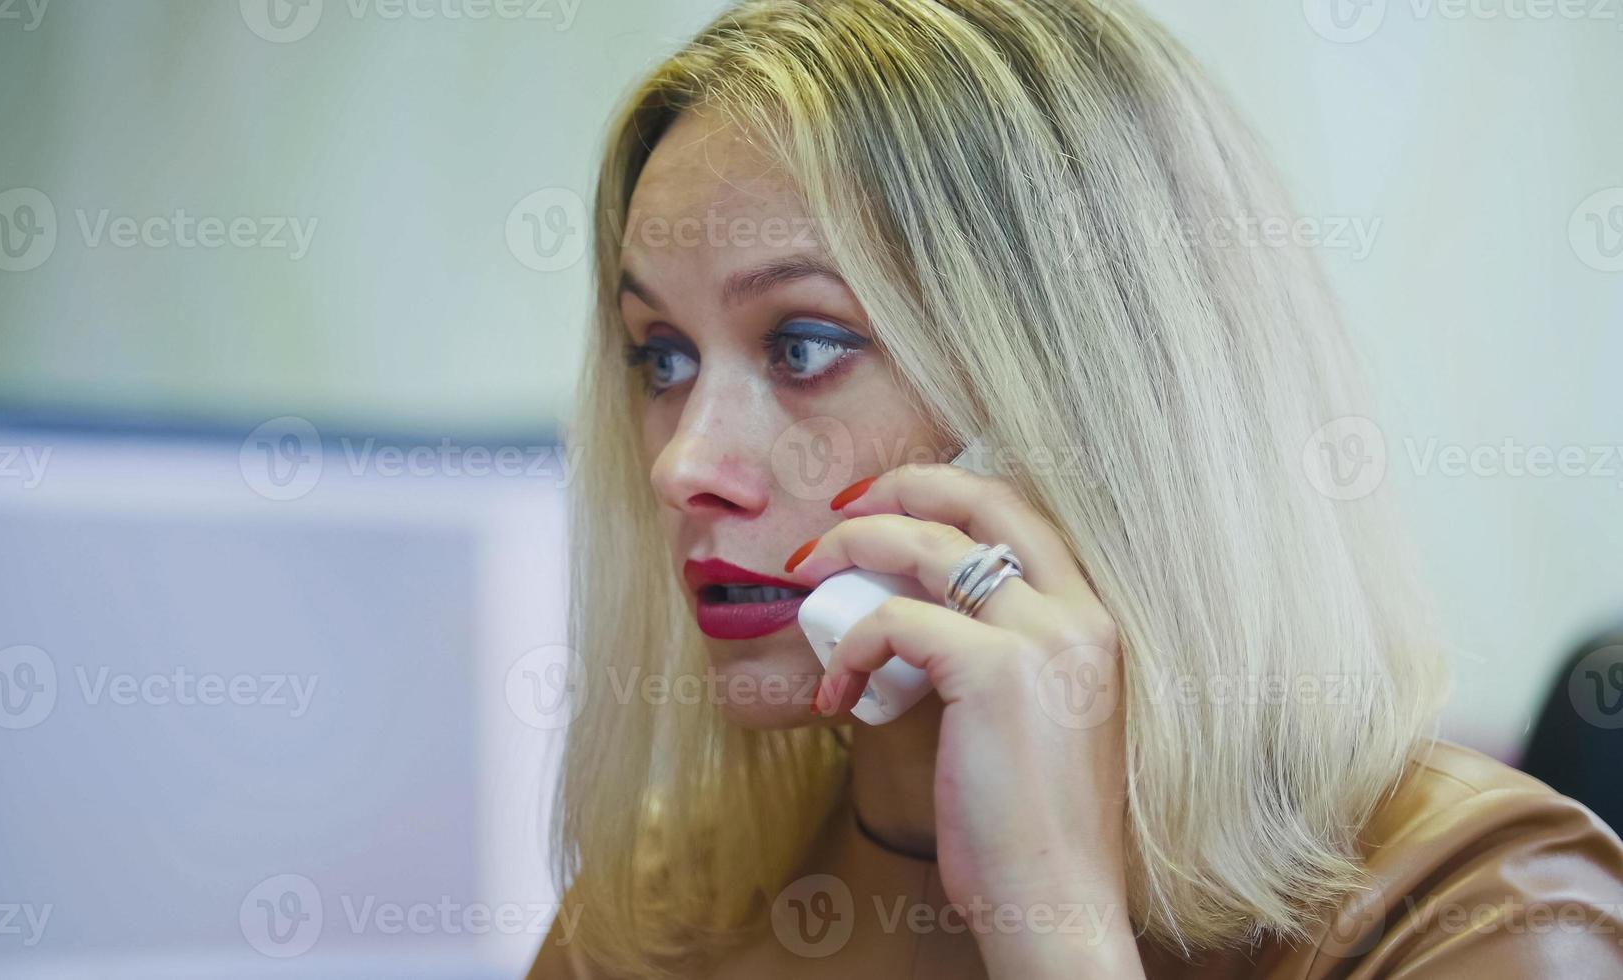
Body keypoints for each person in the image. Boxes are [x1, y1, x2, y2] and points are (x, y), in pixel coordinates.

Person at [526, 1, 1623, 975]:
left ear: (1081, 403)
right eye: (659, 357)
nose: (681, 465)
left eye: (803, 344)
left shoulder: (1480, 911)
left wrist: (1047, 920)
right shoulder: (654, 913)